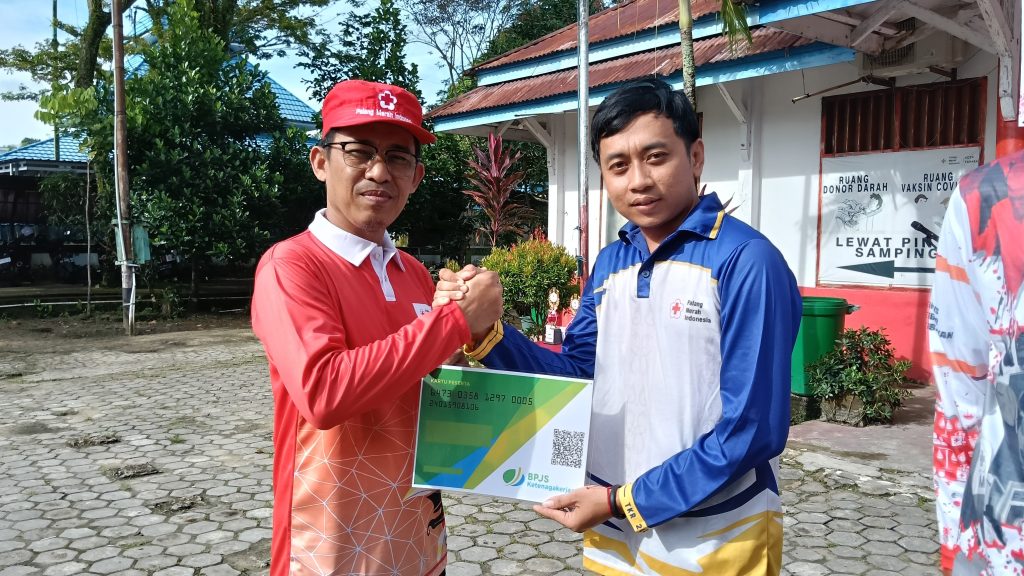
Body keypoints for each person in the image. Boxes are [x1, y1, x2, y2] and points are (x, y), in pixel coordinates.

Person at [434, 77, 801, 575]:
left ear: (695, 157)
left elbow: (751, 429)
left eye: (656, 157)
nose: (639, 181)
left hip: (716, 533)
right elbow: (577, 377)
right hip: (612, 531)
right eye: (618, 165)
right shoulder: (611, 263)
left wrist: (625, 500)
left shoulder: (747, 261)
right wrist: (484, 334)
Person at [250, 79, 502, 576]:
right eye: (359, 151)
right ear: (321, 162)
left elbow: (431, 386)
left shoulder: (414, 273)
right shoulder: (291, 266)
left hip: (417, 539)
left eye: (398, 157)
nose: (379, 171)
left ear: (416, 176)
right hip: (328, 548)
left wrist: (471, 341)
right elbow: (324, 392)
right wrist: (453, 322)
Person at [932, 150, 1024, 575]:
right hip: (1003, 530)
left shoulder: (982, 192)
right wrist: (957, 537)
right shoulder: (983, 194)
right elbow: (958, 386)